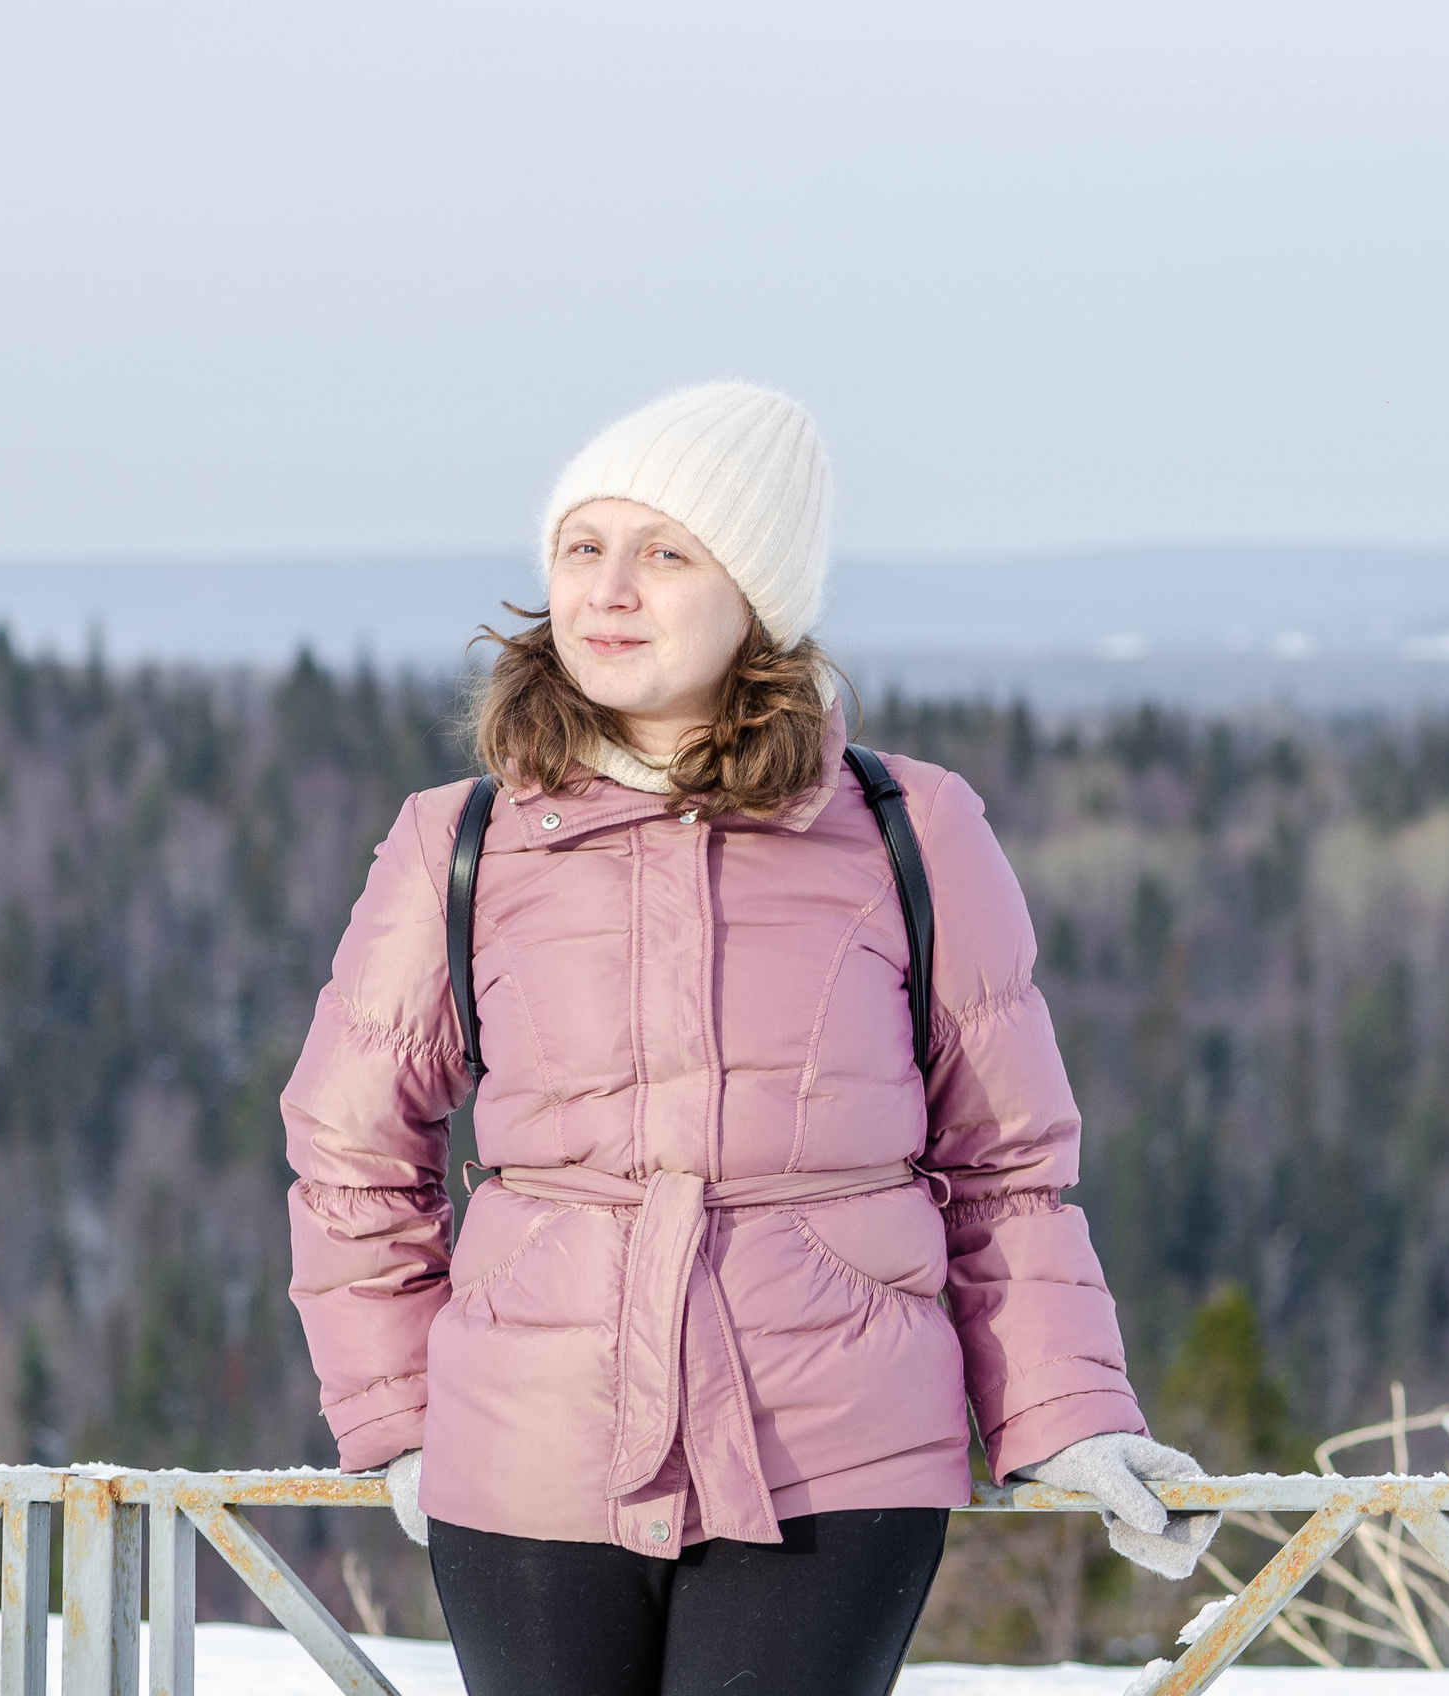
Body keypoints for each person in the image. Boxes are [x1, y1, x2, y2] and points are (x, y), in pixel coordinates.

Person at [281, 383, 1217, 1696]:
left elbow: (1005, 1167)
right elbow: (349, 1147)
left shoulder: (913, 829)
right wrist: (395, 1419)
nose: (609, 589)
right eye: (581, 548)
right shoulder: (465, 842)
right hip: (530, 1452)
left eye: (666, 552)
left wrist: (1062, 1416)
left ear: (758, 594)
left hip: (834, 1453)